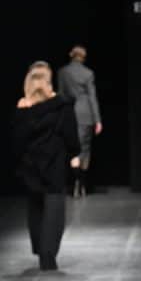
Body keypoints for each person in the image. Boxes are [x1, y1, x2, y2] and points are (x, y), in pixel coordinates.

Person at [12, 62, 80, 273]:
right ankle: (48, 254)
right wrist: (74, 153)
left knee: (35, 207)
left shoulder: (23, 109)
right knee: (54, 210)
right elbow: (70, 135)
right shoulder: (62, 106)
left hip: (31, 166)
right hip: (54, 164)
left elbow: (16, 142)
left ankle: (40, 249)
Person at [56, 46, 102, 198]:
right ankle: (81, 183)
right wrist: (97, 120)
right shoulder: (88, 73)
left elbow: (61, 95)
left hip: (69, 113)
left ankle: (75, 180)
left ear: (71, 55)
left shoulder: (62, 72)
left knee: (72, 148)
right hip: (85, 113)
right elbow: (92, 98)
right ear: (83, 57)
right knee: (85, 148)